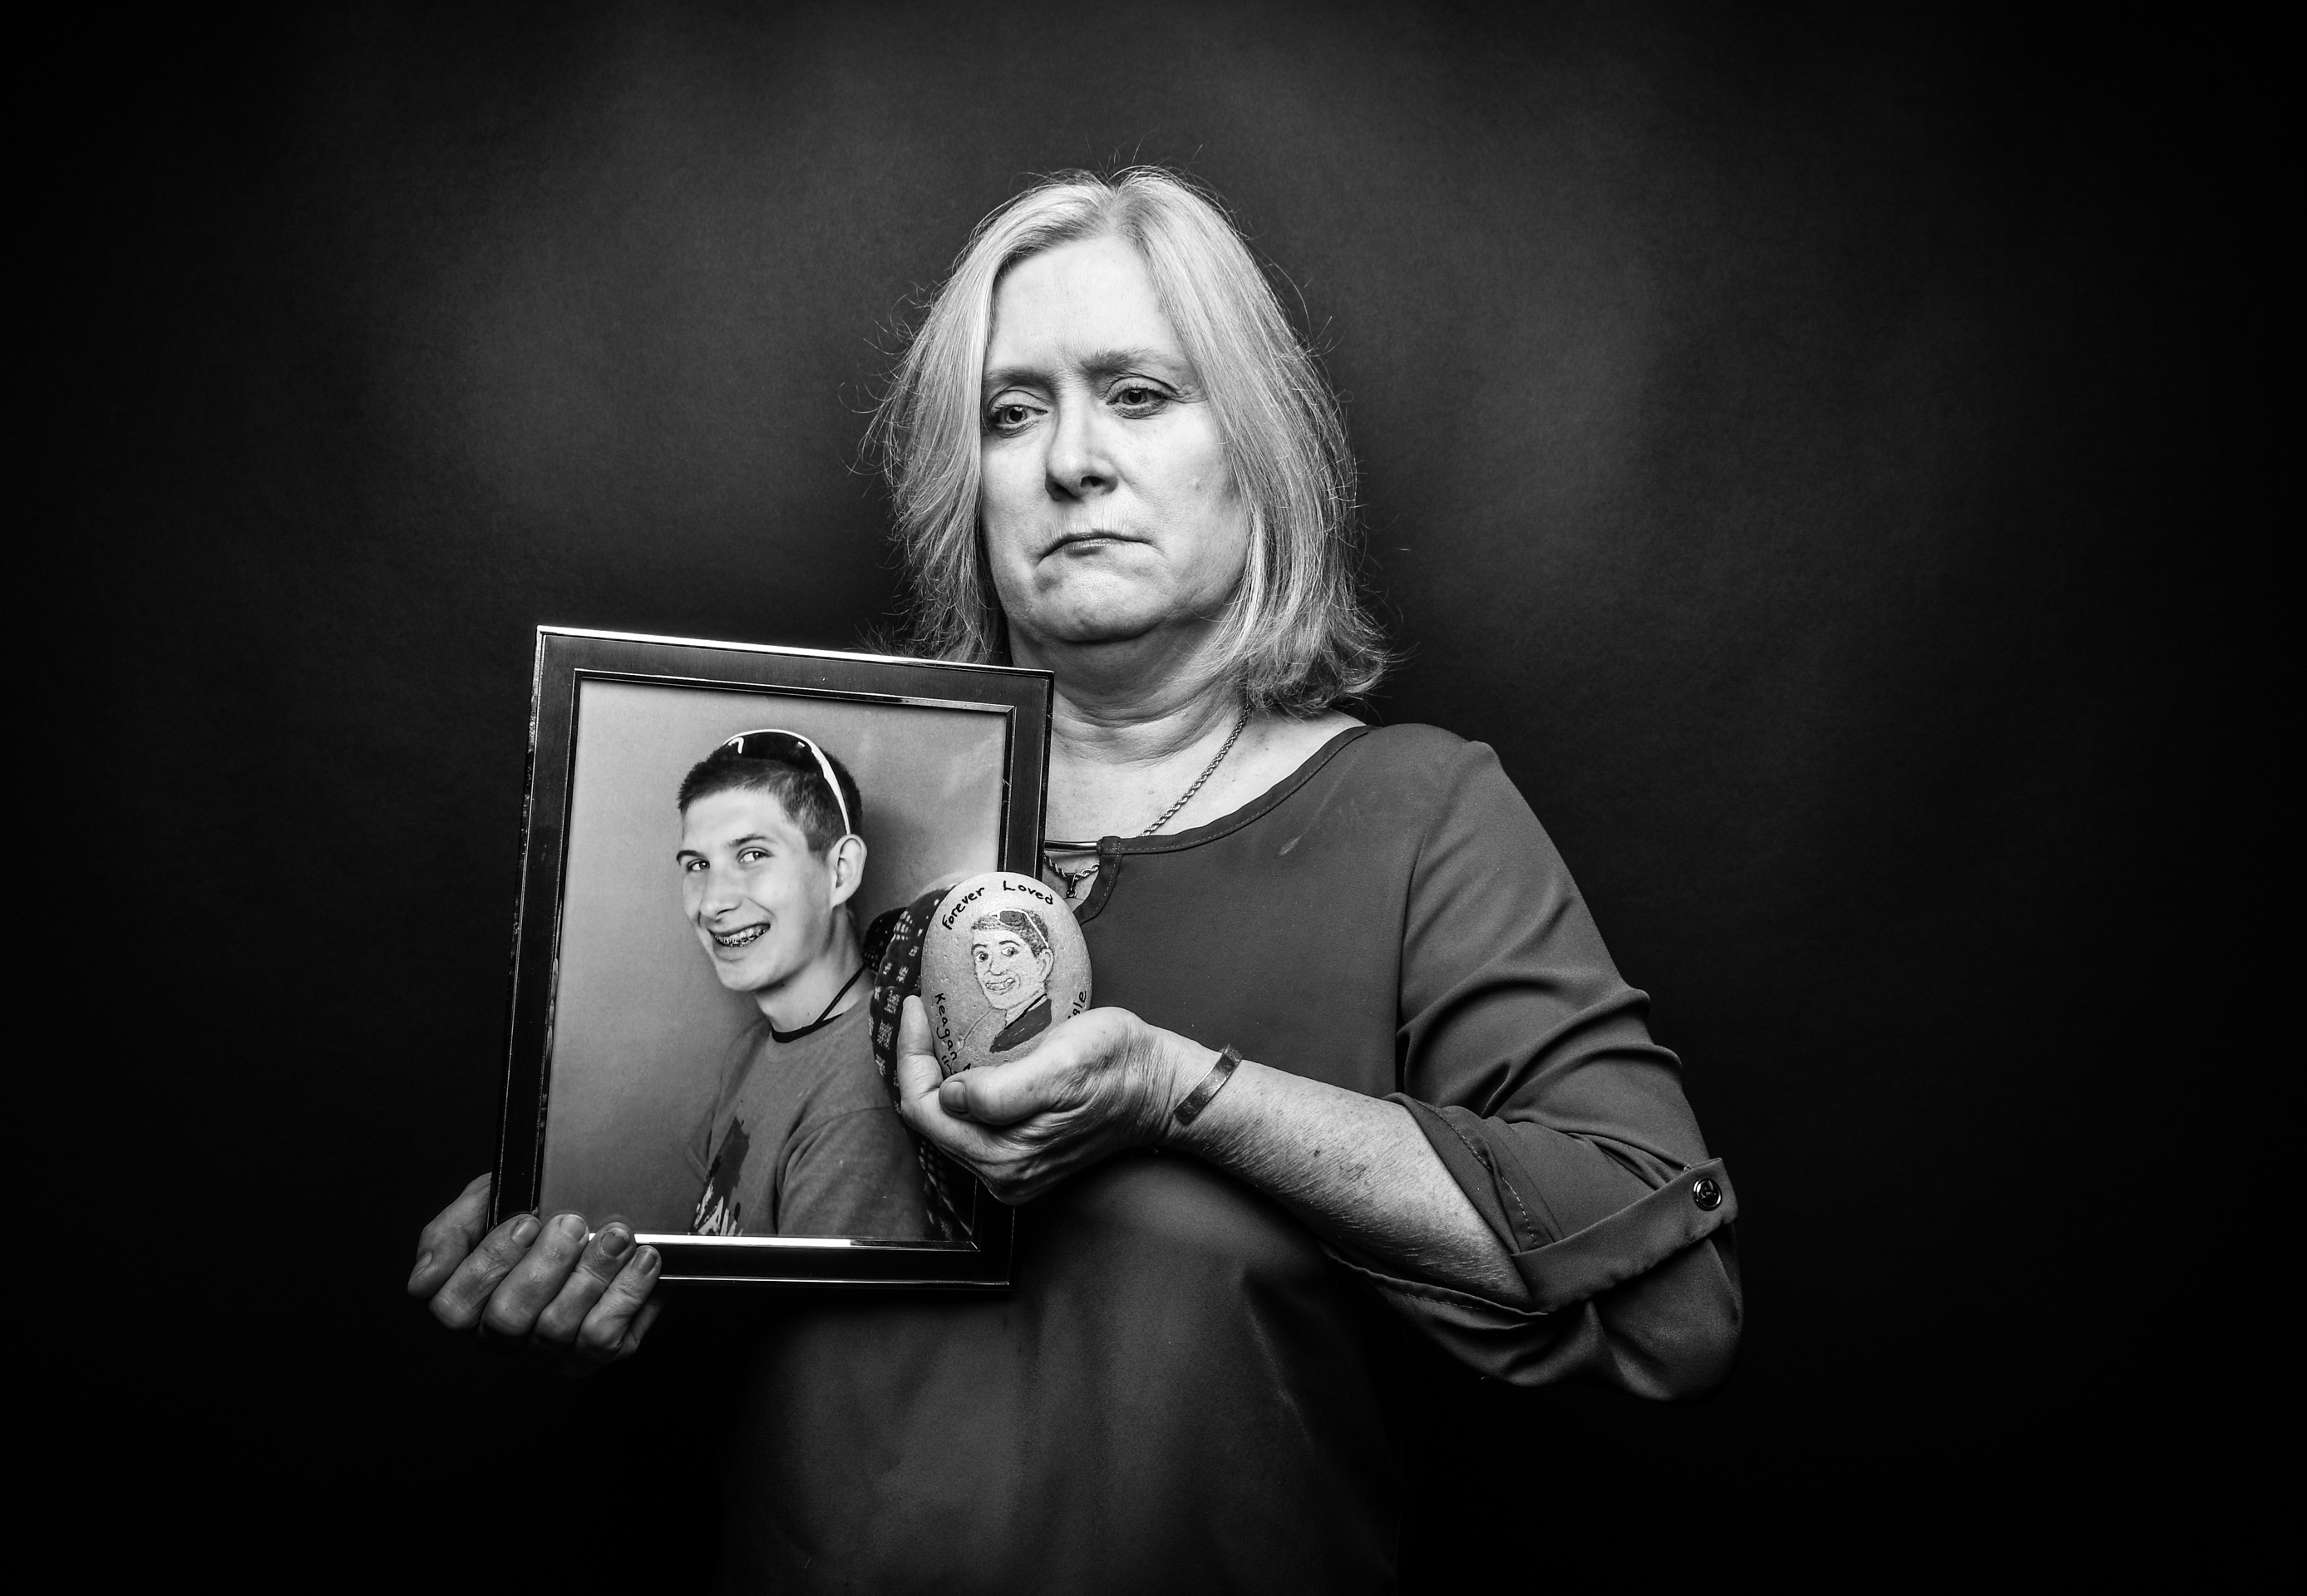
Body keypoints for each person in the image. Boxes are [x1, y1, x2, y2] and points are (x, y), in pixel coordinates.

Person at [410, 166, 1742, 1591]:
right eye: (1013, 411)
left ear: (1260, 453)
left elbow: (1674, 1312)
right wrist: (581, 1274)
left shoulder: (1415, 814)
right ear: (966, 484)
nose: (1070, 463)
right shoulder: (861, 829)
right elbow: (737, 1243)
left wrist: (1184, 1096)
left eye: (1141, 394)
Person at [673, 731, 931, 1241]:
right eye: (697, 866)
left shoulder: (860, 1109)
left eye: (751, 855)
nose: (710, 903)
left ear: (840, 871)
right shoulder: (749, 1052)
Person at [968, 907, 1055, 1052]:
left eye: (1009, 952)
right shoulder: (999, 1033)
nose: (995, 969)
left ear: (1043, 964)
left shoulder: (1038, 1029)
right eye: (983, 956)